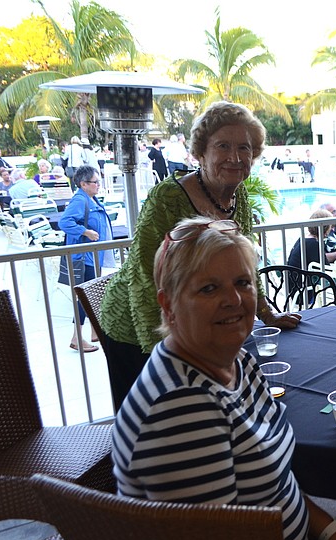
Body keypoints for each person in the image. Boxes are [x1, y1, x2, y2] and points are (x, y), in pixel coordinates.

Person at [111, 216, 336, 540]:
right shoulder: (180, 409)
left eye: (242, 282)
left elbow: (276, 480)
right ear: (169, 305)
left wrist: (331, 535)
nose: (234, 299)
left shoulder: (237, 361)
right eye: (209, 288)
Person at [100, 101, 300, 412]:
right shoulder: (168, 198)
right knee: (157, 427)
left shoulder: (238, 195)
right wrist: (165, 358)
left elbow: (242, 265)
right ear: (201, 152)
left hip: (195, 327)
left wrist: (267, 313)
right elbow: (144, 280)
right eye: (223, 146)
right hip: (138, 333)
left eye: (244, 148)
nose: (235, 157)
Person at [59, 165, 112, 353]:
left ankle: (94, 331)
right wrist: (85, 232)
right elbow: (64, 222)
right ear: (83, 184)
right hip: (85, 258)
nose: (99, 185)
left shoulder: (90, 198)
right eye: (95, 182)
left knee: (91, 295)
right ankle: (76, 338)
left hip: (92, 256)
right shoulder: (80, 201)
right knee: (84, 297)